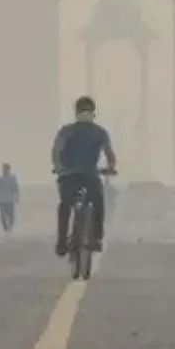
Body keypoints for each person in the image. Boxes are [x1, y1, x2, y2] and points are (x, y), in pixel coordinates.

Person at [52, 95, 117, 257]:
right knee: (98, 203)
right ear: (93, 113)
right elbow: (110, 155)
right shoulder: (100, 132)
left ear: (76, 112)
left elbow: (56, 151)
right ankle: (96, 238)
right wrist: (110, 168)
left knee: (65, 206)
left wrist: (58, 167)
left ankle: (61, 241)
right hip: (90, 176)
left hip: (68, 176)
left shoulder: (67, 131)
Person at [0, 163, 20, 234]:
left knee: (11, 217)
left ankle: (10, 229)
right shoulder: (0, 179)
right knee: (3, 217)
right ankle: (5, 230)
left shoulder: (12, 178)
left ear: (9, 169)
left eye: (6, 169)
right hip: (2, 201)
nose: (4, 170)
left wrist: (17, 197)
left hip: (10, 200)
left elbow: (16, 188)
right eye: (3, 169)